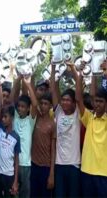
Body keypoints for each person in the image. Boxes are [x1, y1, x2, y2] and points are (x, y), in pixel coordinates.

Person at [50, 63, 81, 197]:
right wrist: (52, 67)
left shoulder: (78, 114)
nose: (64, 102)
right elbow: (54, 88)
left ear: (74, 103)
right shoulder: (58, 112)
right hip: (59, 164)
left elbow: (79, 94)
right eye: (63, 100)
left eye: (68, 100)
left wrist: (73, 69)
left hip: (74, 164)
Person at [76, 72, 107, 197]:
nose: (97, 104)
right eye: (96, 101)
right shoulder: (89, 118)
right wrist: (82, 75)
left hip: (103, 173)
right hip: (86, 171)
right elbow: (78, 99)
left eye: (101, 101)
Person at [12, 76, 38, 198]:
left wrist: (27, 84)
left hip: (26, 165)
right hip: (13, 163)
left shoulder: (30, 120)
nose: (20, 108)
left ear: (28, 108)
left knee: (24, 194)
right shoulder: (15, 118)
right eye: (19, 106)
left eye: (23, 107)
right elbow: (12, 99)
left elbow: (35, 103)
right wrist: (18, 79)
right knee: (14, 193)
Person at [30, 93, 56, 198]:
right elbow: (34, 103)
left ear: (50, 106)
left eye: (46, 104)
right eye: (42, 103)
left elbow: (53, 150)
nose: (43, 106)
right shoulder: (36, 118)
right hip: (33, 165)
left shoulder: (52, 124)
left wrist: (51, 174)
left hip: (46, 168)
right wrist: (28, 80)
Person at [0, 105, 20, 198]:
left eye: (5, 117)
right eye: (2, 117)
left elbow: (16, 160)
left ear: (12, 118)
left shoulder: (16, 137)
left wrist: (15, 181)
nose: (3, 119)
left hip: (9, 175)